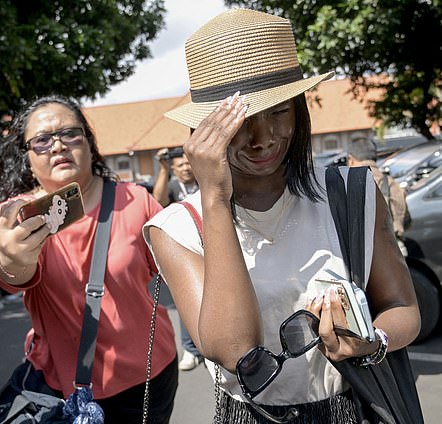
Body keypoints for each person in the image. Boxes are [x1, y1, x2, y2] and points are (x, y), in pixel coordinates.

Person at [143, 9, 420, 423]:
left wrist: (373, 341)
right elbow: (234, 350)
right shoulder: (178, 227)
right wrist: (215, 197)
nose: (263, 138)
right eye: (238, 122)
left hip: (357, 405)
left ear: (299, 110)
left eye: (278, 111)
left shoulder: (352, 194)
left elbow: (403, 307)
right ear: (204, 128)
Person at [0, 95, 178, 423]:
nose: (58, 146)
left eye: (70, 134)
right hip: (63, 387)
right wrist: (12, 259)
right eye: (42, 140)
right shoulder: (16, 215)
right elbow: (8, 272)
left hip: (148, 377)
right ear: (28, 158)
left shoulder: (135, 200)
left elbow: (181, 263)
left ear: (89, 144)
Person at [152, 147, 203, 371]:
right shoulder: (172, 186)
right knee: (188, 299)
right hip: (184, 249)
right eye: (180, 165)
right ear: (174, 169)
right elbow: (158, 200)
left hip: (210, 246)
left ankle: (212, 346)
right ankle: (191, 349)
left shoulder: (204, 181)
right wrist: (163, 170)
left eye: (187, 163)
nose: (185, 168)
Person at [347, 138, 410, 255]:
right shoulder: (392, 183)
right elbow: (406, 219)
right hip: (394, 251)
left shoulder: (347, 186)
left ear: (350, 160)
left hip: (361, 254)